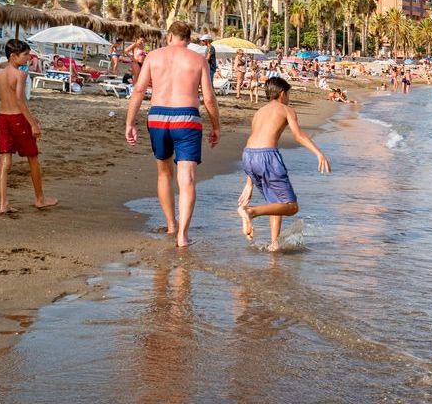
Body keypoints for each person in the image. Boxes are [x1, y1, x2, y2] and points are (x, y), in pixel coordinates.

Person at [125, 21, 220, 248]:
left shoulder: (153, 57)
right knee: (186, 177)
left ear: (169, 37)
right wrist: (216, 126)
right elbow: (208, 98)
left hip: (157, 116)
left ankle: (171, 224)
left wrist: (130, 122)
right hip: (186, 118)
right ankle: (183, 236)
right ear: (188, 39)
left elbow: (139, 90)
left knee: (164, 173)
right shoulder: (198, 60)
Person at [236, 77, 331, 252]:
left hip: (248, 156)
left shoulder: (259, 112)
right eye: (288, 94)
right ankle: (251, 212)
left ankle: (274, 243)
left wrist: (249, 184)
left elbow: (255, 142)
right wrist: (319, 153)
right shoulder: (286, 109)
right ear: (282, 93)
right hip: (267, 156)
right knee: (291, 207)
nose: (288, 98)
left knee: (275, 202)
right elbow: (298, 135)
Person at [0, 39, 58, 214]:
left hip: (3, 118)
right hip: (17, 119)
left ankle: (4, 203)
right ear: (13, 56)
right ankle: (40, 199)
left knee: (5, 160)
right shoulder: (20, 74)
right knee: (33, 158)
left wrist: (32, 117)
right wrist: (33, 124)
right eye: (25, 55)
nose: (28, 58)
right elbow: (19, 100)